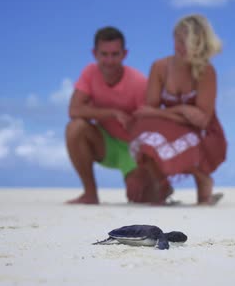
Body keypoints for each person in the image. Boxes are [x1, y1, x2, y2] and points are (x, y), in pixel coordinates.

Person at [65, 26, 171, 204]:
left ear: (124, 54)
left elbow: (151, 131)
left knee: (141, 198)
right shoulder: (90, 73)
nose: (109, 60)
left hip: (134, 149)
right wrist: (113, 113)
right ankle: (90, 193)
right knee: (75, 127)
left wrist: (147, 171)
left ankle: (160, 184)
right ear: (94, 53)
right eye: (104, 54)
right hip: (105, 143)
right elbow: (74, 110)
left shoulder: (138, 82)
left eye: (115, 54)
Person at [129, 14, 227, 205]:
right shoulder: (160, 67)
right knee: (141, 127)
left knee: (173, 132)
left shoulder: (206, 71)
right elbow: (148, 112)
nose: (182, 47)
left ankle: (202, 179)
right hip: (172, 125)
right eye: (179, 41)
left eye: (188, 42)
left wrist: (170, 111)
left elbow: (202, 120)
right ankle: (161, 182)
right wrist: (182, 111)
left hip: (203, 133)